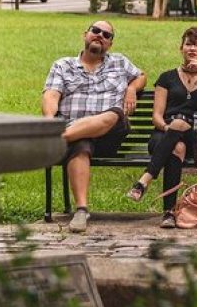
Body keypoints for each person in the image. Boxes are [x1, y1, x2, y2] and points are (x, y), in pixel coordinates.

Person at [43, 20, 146, 233]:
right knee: (81, 143)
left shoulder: (119, 63)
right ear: (85, 34)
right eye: (96, 31)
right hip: (77, 132)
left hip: (110, 133)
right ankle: (81, 210)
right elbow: (51, 94)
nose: (100, 35)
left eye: (106, 35)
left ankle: (57, 139)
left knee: (114, 115)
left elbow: (141, 76)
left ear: (109, 44)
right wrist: (50, 119)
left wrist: (132, 88)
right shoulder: (63, 65)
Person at [125, 27, 197, 228]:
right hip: (163, 136)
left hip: (193, 137)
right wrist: (171, 130)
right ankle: (168, 213)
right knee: (177, 147)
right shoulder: (166, 77)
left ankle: (144, 180)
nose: (192, 49)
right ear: (181, 47)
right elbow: (157, 117)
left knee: (181, 130)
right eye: (188, 44)